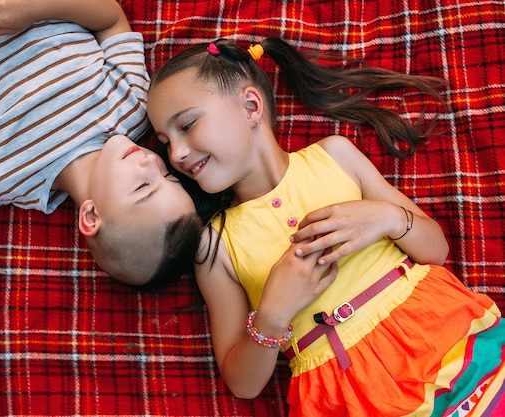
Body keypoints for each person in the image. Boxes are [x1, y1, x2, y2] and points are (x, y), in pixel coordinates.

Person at [147, 37, 505, 415]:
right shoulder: (214, 246)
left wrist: (386, 217)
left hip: (436, 333)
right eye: (167, 142)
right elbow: (242, 383)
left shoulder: (335, 155)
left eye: (186, 125)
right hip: (346, 391)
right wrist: (272, 315)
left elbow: (437, 251)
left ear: (251, 106)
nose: (177, 153)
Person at [0, 0, 202, 288]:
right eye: (168, 176)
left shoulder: (3, 177)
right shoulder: (133, 107)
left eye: (144, 186)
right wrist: (34, 8)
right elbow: (110, 18)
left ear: (91, 215)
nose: (152, 162)